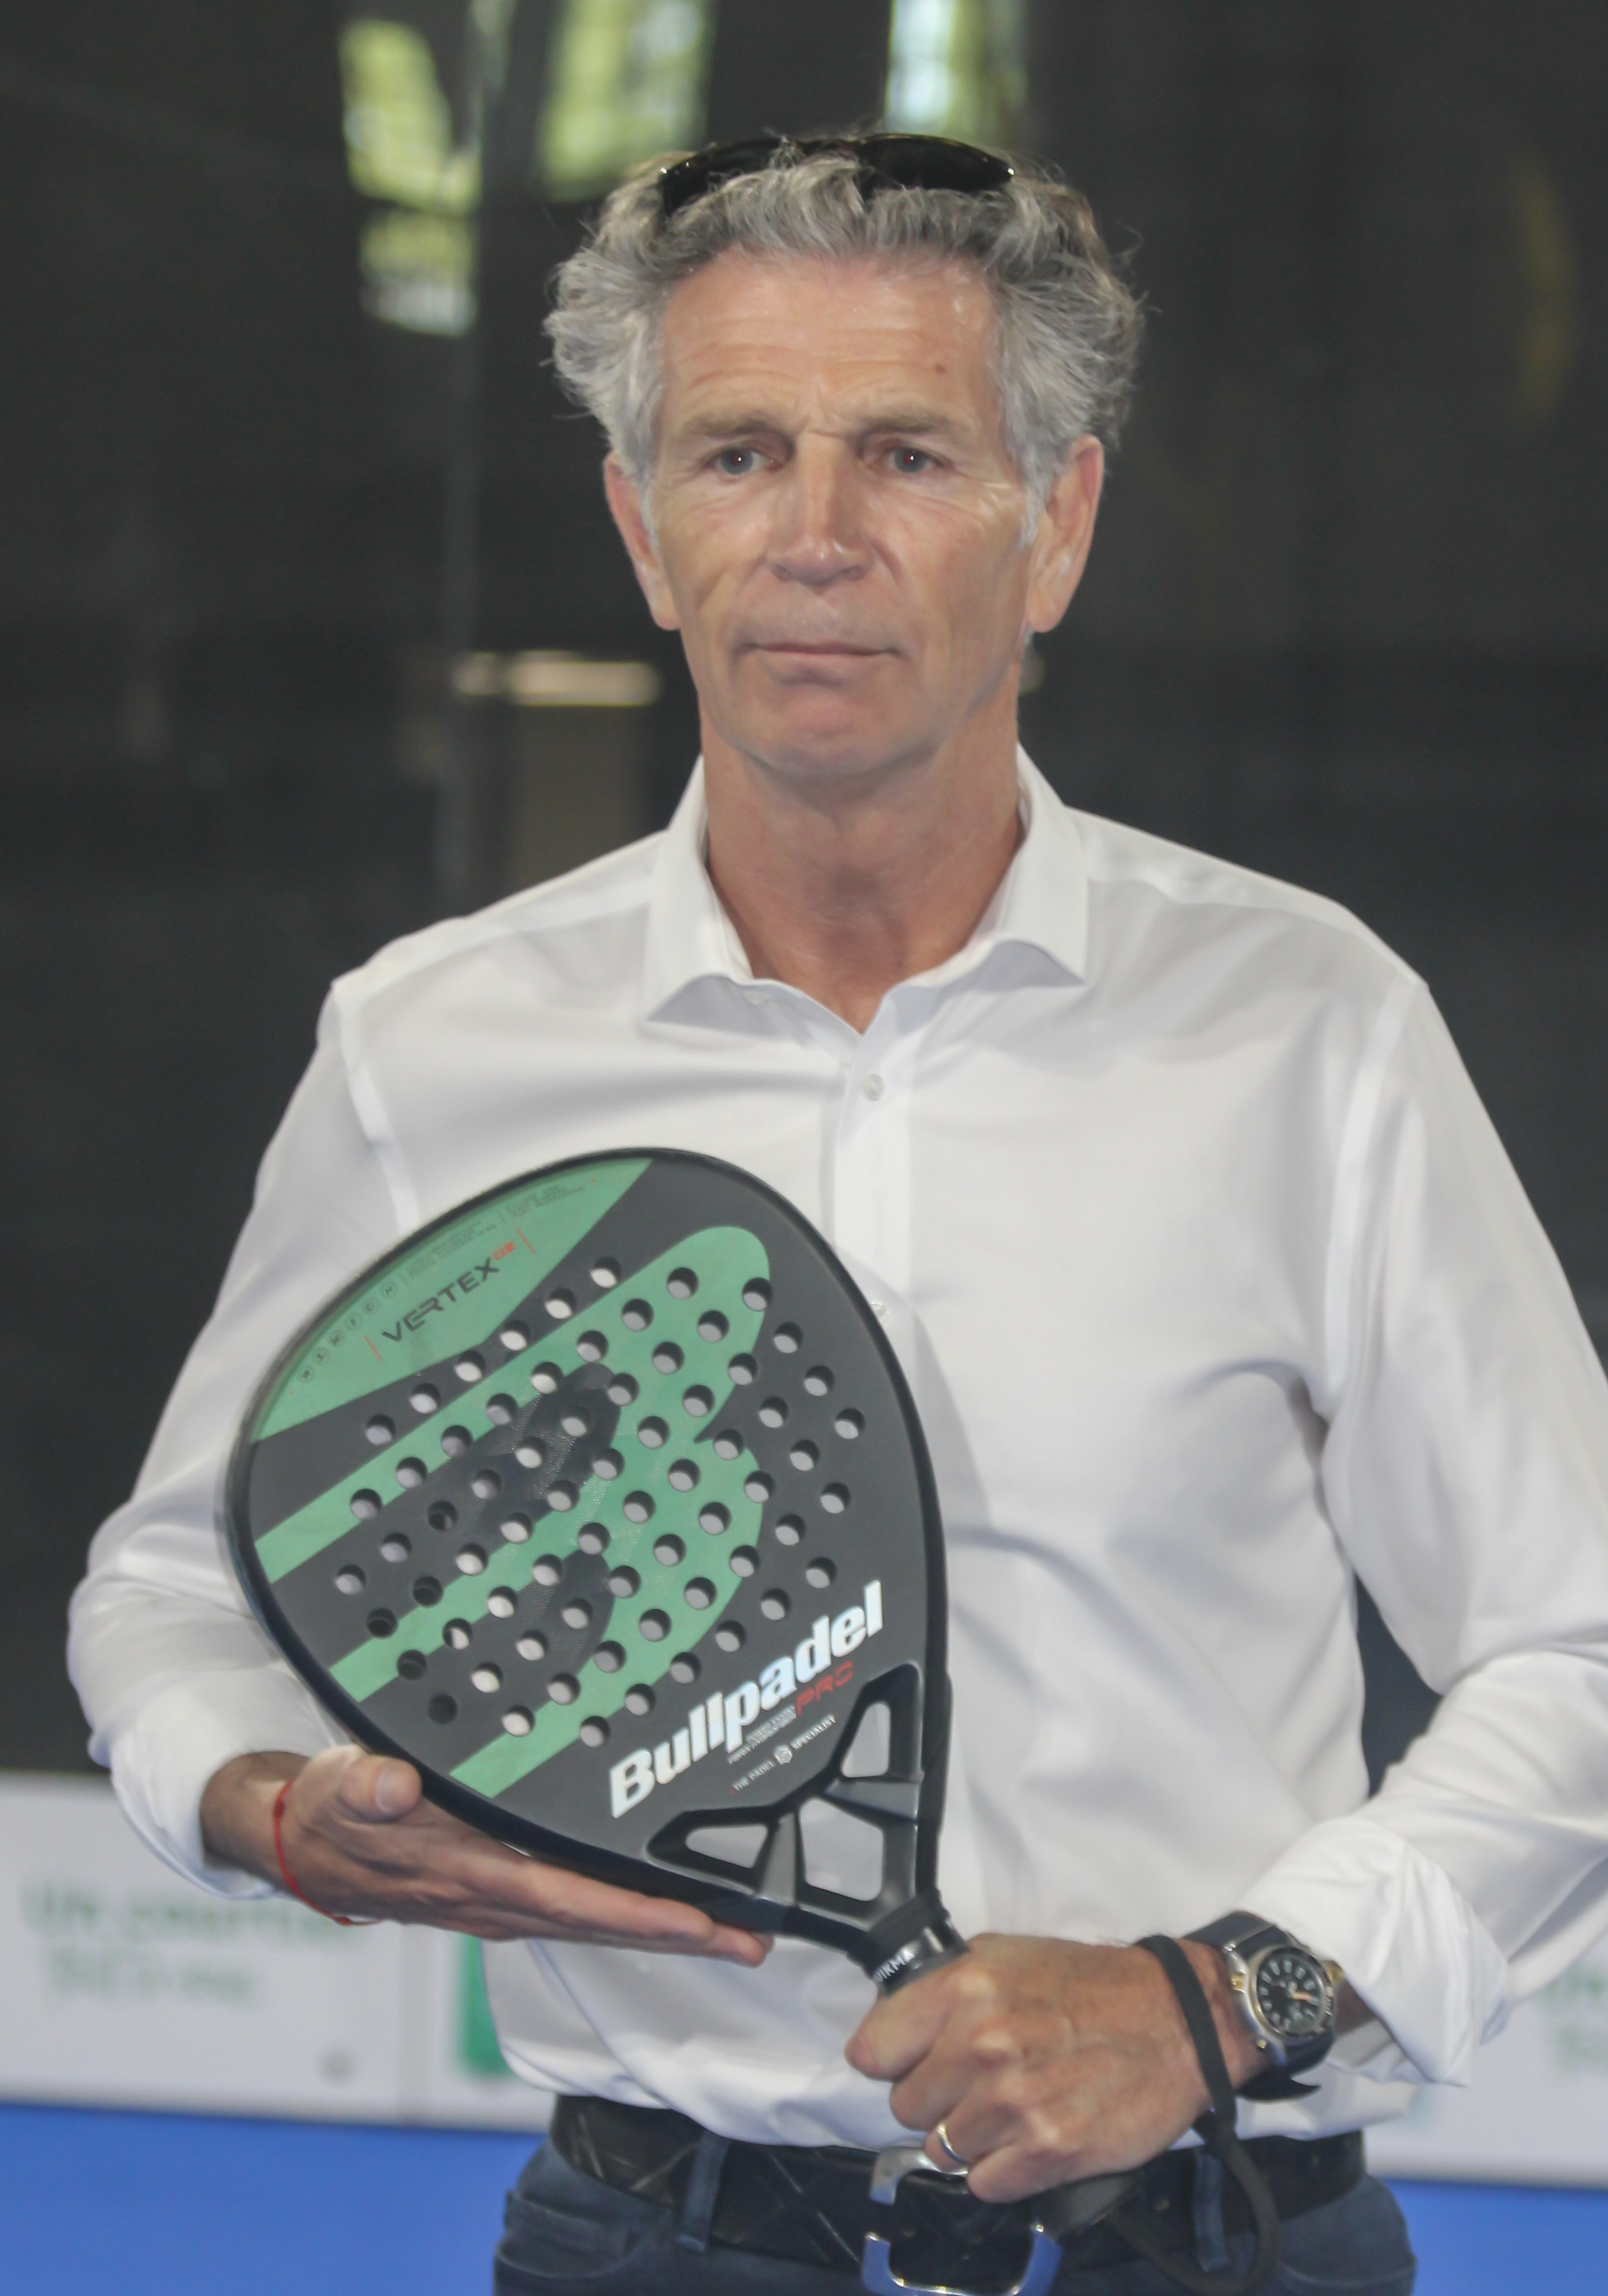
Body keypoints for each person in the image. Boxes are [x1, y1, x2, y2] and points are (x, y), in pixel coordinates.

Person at [69, 135, 1608, 2296]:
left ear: (1056, 526)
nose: (812, 534)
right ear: (641, 528)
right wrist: (261, 1803)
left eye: (905, 454)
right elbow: (174, 1587)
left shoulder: (1303, 1024)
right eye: (735, 454)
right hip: (652, 2238)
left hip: (1216, 2244)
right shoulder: (431, 1044)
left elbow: (1575, 1644)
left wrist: (1208, 2000)